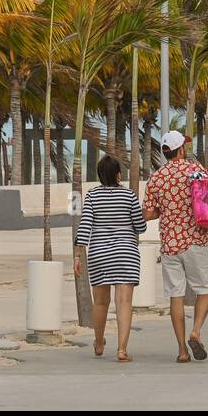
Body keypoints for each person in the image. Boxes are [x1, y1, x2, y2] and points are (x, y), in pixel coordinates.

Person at [143, 129, 208, 363]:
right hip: (196, 239)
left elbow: (148, 213)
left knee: (176, 297)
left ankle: (182, 350)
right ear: (180, 149)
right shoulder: (196, 170)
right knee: (203, 290)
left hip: (170, 244)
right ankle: (196, 331)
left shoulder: (157, 177)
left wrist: (167, 208)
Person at [75, 154, 147, 362]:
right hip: (125, 253)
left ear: (99, 176)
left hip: (99, 253)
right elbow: (140, 227)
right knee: (124, 301)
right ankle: (122, 349)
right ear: (118, 175)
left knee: (100, 302)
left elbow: (86, 226)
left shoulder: (92, 196)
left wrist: (78, 255)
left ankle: (98, 343)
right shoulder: (129, 196)